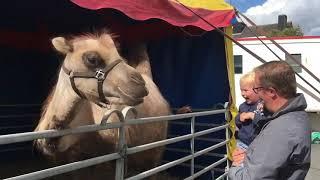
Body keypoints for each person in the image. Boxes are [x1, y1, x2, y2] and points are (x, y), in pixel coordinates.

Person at [228, 61, 311, 180]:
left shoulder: (282, 129)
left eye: (257, 89)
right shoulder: (298, 116)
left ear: (271, 92)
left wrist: (235, 167)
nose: (257, 94)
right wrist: (252, 156)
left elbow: (251, 178)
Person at [234, 72, 268, 163]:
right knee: (238, 167)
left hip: (259, 147)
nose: (242, 93)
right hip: (242, 144)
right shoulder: (242, 106)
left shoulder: (264, 105)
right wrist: (239, 118)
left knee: (256, 170)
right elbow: (237, 122)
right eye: (241, 90)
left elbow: (266, 122)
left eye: (245, 90)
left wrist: (252, 116)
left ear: (257, 90)